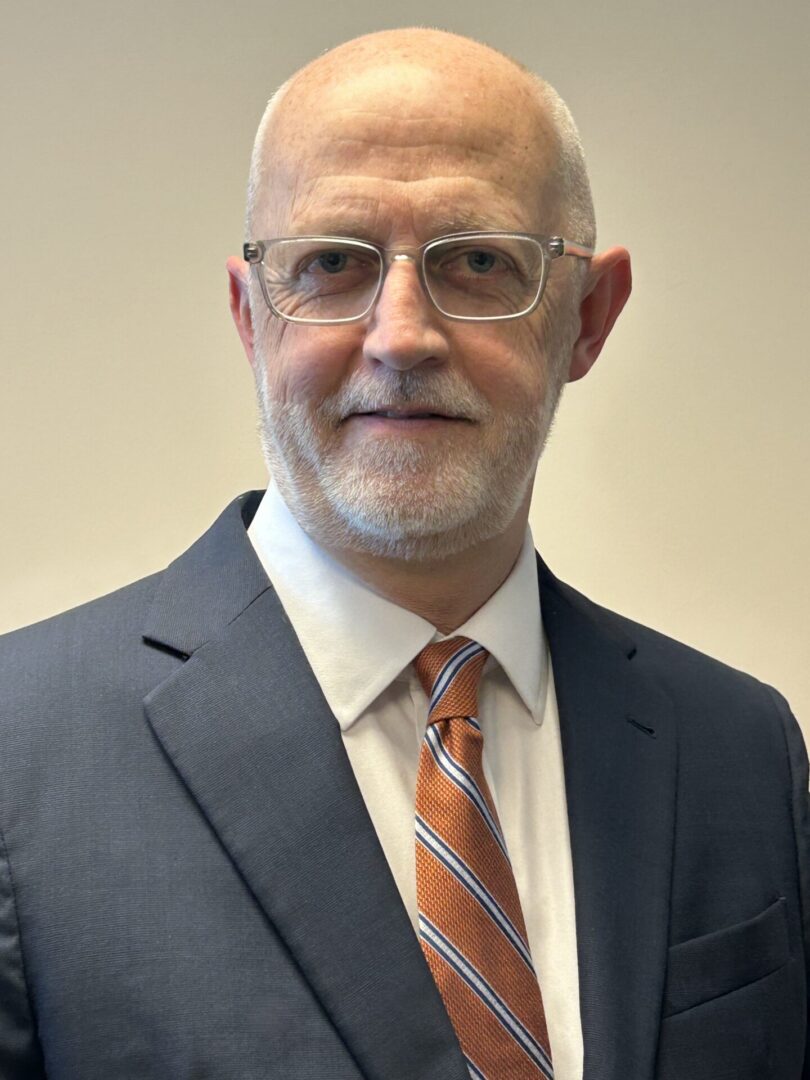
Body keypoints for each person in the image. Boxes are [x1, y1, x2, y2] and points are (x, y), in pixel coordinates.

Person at [0, 26, 806, 1080]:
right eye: (333, 264)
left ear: (588, 318)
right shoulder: (21, 753)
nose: (401, 336)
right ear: (251, 318)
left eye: (478, 261)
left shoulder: (741, 750)